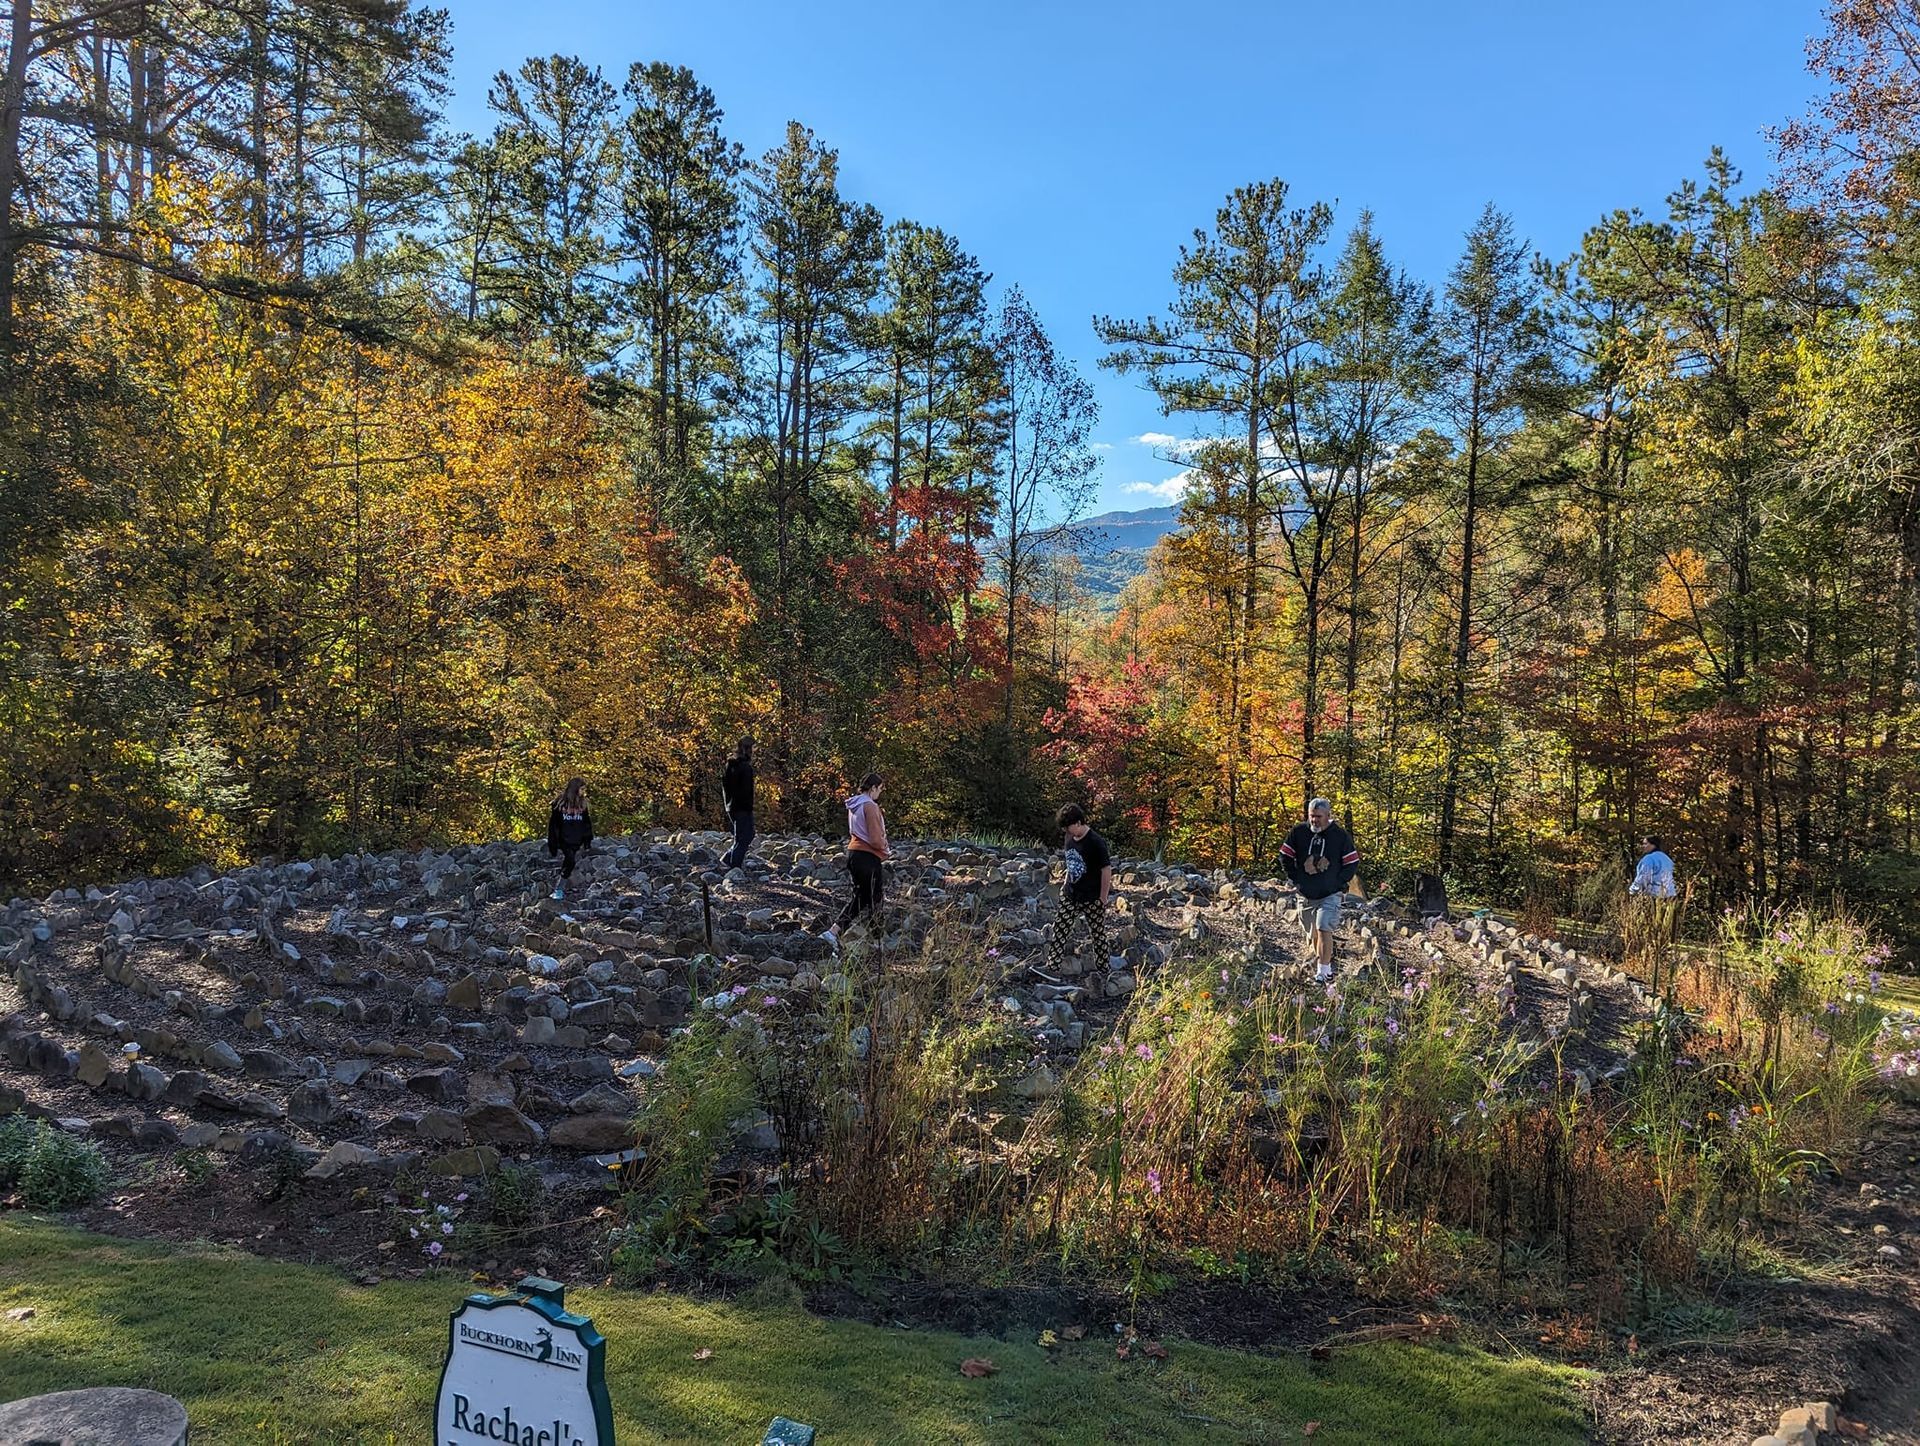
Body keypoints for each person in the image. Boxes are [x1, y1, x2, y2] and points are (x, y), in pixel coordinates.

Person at [1280, 797, 1360, 983]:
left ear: (1328, 816)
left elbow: (1352, 862)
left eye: (1318, 816)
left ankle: (1324, 972)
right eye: (1311, 816)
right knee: (1313, 933)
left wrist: (1339, 883)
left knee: (1324, 927)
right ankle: (1321, 964)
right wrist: (1294, 877)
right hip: (1306, 893)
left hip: (1330, 894)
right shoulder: (1298, 832)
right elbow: (1285, 855)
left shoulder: (1340, 836)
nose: (1314, 820)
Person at [821, 772, 888, 952]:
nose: (880, 793)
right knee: (874, 897)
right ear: (873, 788)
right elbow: (875, 839)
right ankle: (877, 940)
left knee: (861, 896)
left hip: (853, 853)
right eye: (880, 789)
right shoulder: (870, 806)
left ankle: (835, 931)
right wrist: (884, 846)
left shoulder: (854, 805)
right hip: (868, 855)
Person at [1049, 803, 1112, 973]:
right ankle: (1052, 966)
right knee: (1060, 929)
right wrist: (1064, 884)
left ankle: (1103, 969)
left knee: (1098, 935)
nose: (1067, 832)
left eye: (1069, 827)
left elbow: (1106, 870)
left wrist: (1103, 898)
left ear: (1078, 822)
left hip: (1092, 897)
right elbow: (1070, 862)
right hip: (1070, 894)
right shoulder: (1069, 837)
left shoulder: (1096, 842)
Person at [546, 777, 593, 901]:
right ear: (575, 789)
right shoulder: (559, 804)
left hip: (576, 839)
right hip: (564, 839)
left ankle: (559, 885)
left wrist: (587, 840)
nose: (583, 792)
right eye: (582, 789)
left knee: (569, 862)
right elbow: (553, 825)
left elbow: (586, 823)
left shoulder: (583, 804)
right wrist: (553, 843)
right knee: (570, 861)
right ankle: (559, 888)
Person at [722, 737, 756, 870]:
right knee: (746, 836)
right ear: (747, 749)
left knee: (740, 837)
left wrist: (728, 806)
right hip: (743, 807)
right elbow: (746, 791)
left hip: (732, 806)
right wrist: (749, 807)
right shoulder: (745, 768)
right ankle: (734, 866)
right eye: (753, 748)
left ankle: (727, 860)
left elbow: (725, 786)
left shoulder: (731, 765)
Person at [1628, 835, 1677, 900]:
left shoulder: (1649, 859)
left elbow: (1643, 878)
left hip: (1655, 895)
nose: (1643, 846)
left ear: (1653, 845)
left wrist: (1632, 891)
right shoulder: (1667, 859)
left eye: (1645, 844)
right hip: (1670, 895)